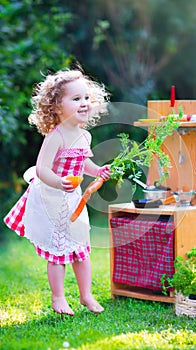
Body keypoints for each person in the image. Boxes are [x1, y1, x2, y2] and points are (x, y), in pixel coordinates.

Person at [4, 67, 111, 315]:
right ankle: (58, 298)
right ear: (57, 107)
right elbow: (42, 168)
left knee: (82, 249)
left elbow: (84, 163)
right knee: (58, 251)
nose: (84, 103)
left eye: (86, 98)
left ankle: (86, 296)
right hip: (51, 198)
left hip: (72, 200)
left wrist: (98, 171)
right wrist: (57, 182)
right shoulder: (56, 136)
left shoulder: (84, 136)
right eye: (76, 99)